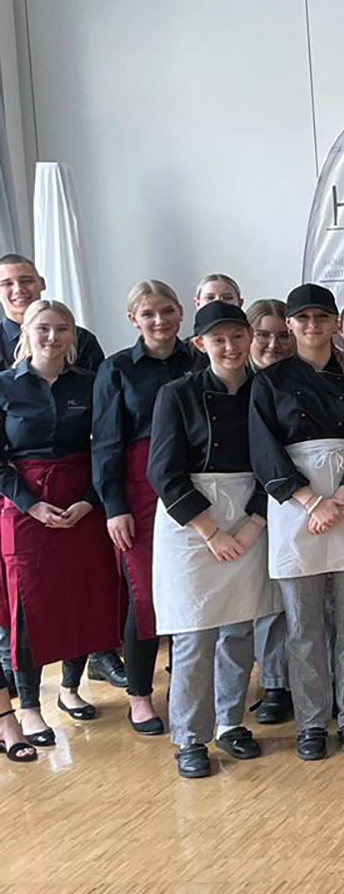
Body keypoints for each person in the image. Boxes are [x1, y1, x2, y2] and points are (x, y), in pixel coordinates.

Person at [250, 283, 344, 761]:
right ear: (290, 325)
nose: (312, 326)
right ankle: (312, 722)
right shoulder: (269, 382)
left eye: (321, 317)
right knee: (303, 626)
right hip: (297, 508)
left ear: (335, 322)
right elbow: (264, 450)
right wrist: (313, 502)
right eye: (303, 318)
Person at [148, 301, 275, 777]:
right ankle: (189, 737)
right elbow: (163, 472)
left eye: (237, 336)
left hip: (249, 513)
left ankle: (229, 722)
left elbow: (276, 462)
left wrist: (253, 522)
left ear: (249, 337)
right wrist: (211, 532)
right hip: (191, 522)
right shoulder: (176, 394)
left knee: (239, 629)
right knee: (195, 632)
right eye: (218, 339)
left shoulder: (265, 390)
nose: (230, 347)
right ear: (200, 344)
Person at [0, 299, 124, 748]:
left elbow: (107, 447)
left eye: (62, 329)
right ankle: (30, 708)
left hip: (82, 501)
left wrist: (90, 502)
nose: (52, 337)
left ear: (74, 335)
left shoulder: (92, 383)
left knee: (84, 597)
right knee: (30, 605)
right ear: (26, 333)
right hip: (24, 506)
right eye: (43, 328)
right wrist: (31, 505)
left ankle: (71, 689)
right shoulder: (4, 386)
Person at [92, 280, 198, 737]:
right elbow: (106, 443)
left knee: (193, 587)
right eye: (149, 313)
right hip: (138, 487)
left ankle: (188, 688)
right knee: (146, 594)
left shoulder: (198, 360)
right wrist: (114, 505)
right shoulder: (116, 369)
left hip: (194, 478)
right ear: (133, 319)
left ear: (181, 312)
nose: (160, 320)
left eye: (167, 310)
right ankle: (139, 695)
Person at [242, 298, 296, 723]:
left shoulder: (296, 383)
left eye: (282, 336)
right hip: (238, 504)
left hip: (288, 499)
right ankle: (268, 684)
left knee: (285, 598)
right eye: (263, 335)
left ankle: (286, 682)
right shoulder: (233, 380)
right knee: (255, 601)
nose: (273, 344)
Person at [0, 254, 107, 369]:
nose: (18, 290)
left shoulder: (81, 339)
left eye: (26, 281)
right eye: (7, 284)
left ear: (42, 283)